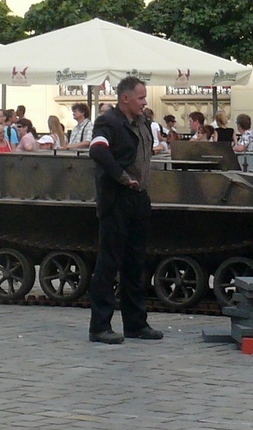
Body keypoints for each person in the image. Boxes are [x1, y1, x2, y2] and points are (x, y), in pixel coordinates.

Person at [88, 76, 163, 344]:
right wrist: (121, 176)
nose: (145, 102)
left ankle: (135, 324)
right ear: (125, 99)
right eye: (141, 98)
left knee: (135, 262)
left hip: (139, 198)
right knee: (109, 263)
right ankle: (99, 326)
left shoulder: (142, 123)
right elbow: (97, 150)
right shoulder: (109, 122)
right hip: (117, 199)